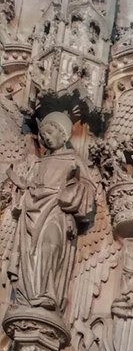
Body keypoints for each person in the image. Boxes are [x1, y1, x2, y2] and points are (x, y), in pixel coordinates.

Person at [7, 111, 95, 313]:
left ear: (64, 136)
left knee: (51, 244)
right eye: (43, 134)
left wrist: (72, 197)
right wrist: (19, 183)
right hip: (33, 209)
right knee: (30, 252)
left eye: (50, 132)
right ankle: (27, 295)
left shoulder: (73, 159)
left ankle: (48, 293)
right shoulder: (38, 163)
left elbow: (88, 186)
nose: (46, 137)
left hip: (57, 209)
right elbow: (28, 184)